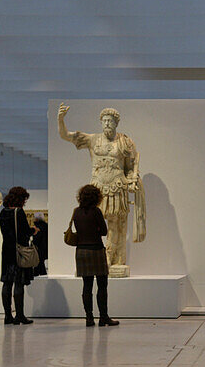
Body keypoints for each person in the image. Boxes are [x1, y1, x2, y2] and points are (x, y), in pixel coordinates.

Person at [58, 105, 145, 277]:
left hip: (117, 186)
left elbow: (130, 167)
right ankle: (95, 255)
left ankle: (111, 256)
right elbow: (65, 136)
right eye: (104, 120)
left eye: (110, 121)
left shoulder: (125, 142)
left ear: (116, 123)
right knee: (91, 223)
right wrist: (61, 119)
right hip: (96, 188)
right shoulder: (93, 139)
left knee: (115, 223)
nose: (107, 123)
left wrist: (132, 181)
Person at [71, 184, 118, 327]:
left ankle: (89, 318)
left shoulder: (76, 212)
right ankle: (103, 317)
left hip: (81, 251)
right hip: (96, 250)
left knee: (87, 285)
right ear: (96, 197)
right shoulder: (96, 211)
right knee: (102, 285)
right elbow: (104, 231)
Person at [0, 186, 36, 325]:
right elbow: (24, 232)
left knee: (6, 283)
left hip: (6, 250)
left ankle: (8, 316)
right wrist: (34, 230)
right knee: (18, 283)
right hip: (18, 251)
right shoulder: (18, 212)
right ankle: (19, 315)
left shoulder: (3, 212)